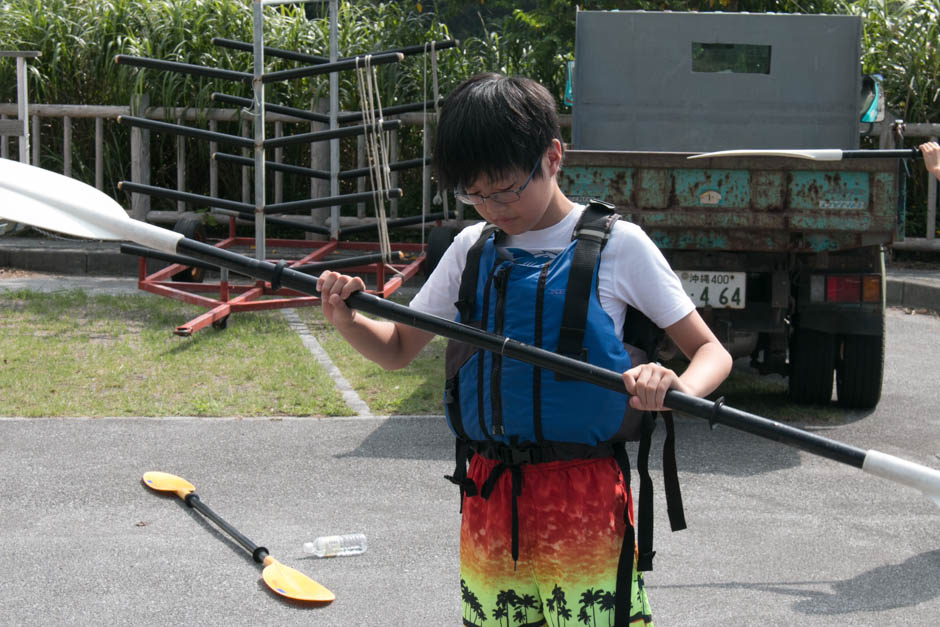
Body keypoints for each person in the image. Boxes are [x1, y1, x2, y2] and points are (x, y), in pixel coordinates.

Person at [317, 73, 732, 626]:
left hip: (581, 497)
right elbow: (396, 349)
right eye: (474, 193)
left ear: (552, 156)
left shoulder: (619, 245)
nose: (492, 206)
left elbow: (711, 352)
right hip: (489, 496)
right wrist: (344, 318)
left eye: (507, 187)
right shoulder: (470, 248)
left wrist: (675, 385)